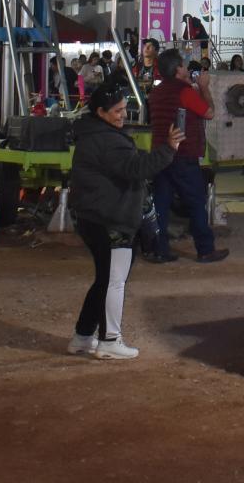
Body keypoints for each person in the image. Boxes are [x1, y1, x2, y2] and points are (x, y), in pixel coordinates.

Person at [68, 83, 179, 358]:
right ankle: (109, 341)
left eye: (123, 109)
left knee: (105, 280)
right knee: (114, 282)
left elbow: (129, 164)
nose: (122, 115)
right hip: (111, 220)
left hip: (94, 217)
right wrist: (169, 149)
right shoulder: (107, 140)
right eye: (117, 111)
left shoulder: (94, 134)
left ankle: (83, 337)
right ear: (101, 112)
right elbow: (136, 168)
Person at [147, 49, 228, 262]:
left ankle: (159, 249)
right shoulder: (184, 92)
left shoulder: (156, 92)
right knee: (195, 201)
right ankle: (205, 249)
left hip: (160, 154)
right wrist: (204, 87)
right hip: (183, 154)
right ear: (177, 69)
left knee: (161, 203)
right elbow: (209, 113)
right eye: (183, 64)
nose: (186, 67)